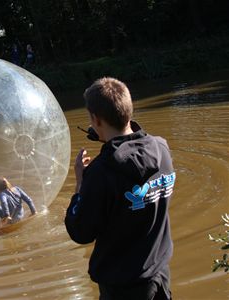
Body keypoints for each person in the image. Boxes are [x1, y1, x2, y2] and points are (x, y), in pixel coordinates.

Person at [64, 77, 175, 300]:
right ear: (128, 111)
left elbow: (80, 232)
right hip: (159, 276)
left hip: (122, 287)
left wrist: (80, 185)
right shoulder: (161, 148)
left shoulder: (100, 172)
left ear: (95, 119)